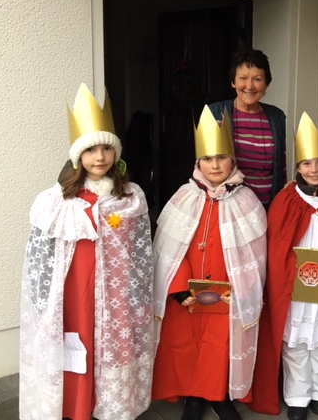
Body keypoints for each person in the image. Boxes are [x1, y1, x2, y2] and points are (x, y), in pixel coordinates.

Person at [19, 83, 154, 420]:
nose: (99, 157)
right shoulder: (57, 200)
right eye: (91, 150)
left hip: (115, 291)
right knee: (76, 345)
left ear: (116, 154)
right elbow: (41, 256)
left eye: (106, 149)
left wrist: (135, 294)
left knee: (111, 348)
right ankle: (77, 408)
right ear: (78, 155)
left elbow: (139, 254)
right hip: (75, 292)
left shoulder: (131, 197)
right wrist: (42, 296)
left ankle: (110, 406)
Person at [152, 105, 267, 420]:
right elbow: (167, 250)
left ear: (233, 160)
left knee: (220, 344)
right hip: (186, 295)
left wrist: (239, 288)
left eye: (221, 158)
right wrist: (179, 289)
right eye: (208, 159)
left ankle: (219, 395)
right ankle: (193, 397)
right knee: (186, 345)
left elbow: (255, 256)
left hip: (225, 294)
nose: (214, 165)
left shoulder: (248, 201)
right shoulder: (182, 196)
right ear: (198, 162)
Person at [248, 113, 318, 420]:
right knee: (295, 346)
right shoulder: (285, 200)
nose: (314, 169)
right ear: (297, 167)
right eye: (307, 163)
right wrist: (287, 272)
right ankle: (297, 396)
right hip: (294, 289)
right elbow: (275, 247)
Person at [209, 48, 287, 208]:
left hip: (266, 208)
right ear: (233, 81)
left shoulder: (276, 117)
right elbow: (203, 165)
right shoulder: (215, 113)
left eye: (257, 79)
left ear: (266, 83)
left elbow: (281, 168)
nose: (250, 86)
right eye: (243, 78)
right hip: (229, 209)